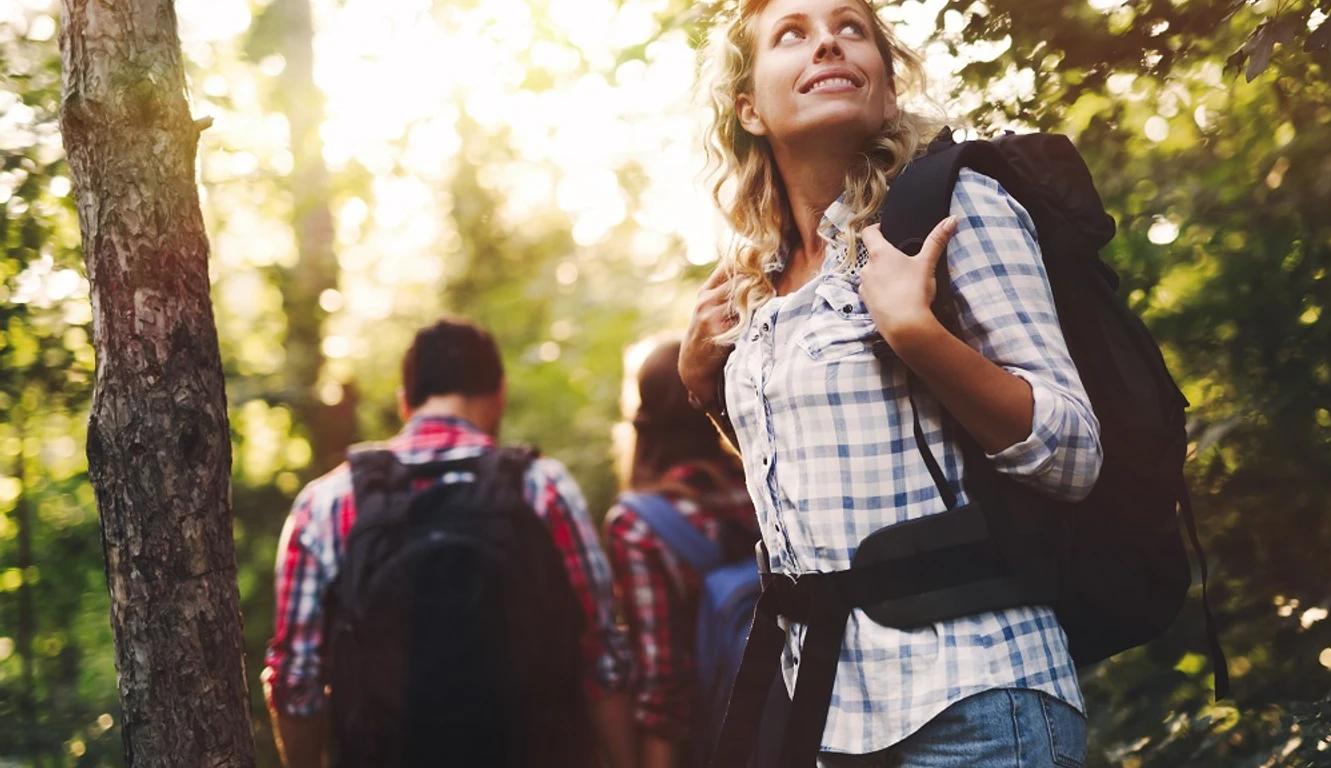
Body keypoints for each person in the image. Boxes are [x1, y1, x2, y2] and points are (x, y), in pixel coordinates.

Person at [678, 0, 1104, 765]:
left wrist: (917, 334)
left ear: (881, 77)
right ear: (748, 107)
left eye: (851, 28)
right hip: (830, 718)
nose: (828, 45)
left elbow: (1071, 452)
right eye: (792, 35)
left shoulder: (951, 206)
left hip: (977, 702)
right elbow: (816, 493)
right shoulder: (755, 284)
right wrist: (706, 394)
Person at [263, 318, 637, 768]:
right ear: (500, 393)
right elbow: (600, 657)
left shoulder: (325, 503)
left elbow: (296, 680)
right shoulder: (543, 487)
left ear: (405, 403)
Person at [604, 337, 762, 768]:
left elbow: (664, 684)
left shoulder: (640, 523)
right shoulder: (762, 486)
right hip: (804, 721)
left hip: (713, 744)